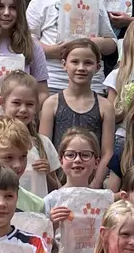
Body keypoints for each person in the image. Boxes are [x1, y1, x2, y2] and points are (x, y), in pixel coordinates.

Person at [28, 0, 118, 96]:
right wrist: (50, 50)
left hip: (91, 85)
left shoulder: (95, 1)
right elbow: (27, 38)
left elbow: (111, 43)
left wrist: (95, 43)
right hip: (52, 82)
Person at [40, 41, 116, 188]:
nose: (81, 68)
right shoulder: (51, 104)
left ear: (98, 67)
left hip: (91, 184)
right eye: (75, 62)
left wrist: (94, 185)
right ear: (64, 64)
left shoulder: (105, 106)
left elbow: (107, 152)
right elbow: (45, 149)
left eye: (88, 63)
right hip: (57, 184)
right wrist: (56, 185)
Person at [0, 72, 60, 197]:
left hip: (34, 213)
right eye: (16, 103)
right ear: (1, 102)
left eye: (29, 104)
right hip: (1, 211)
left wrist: (46, 174)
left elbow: (55, 189)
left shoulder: (44, 143)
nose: (23, 109)